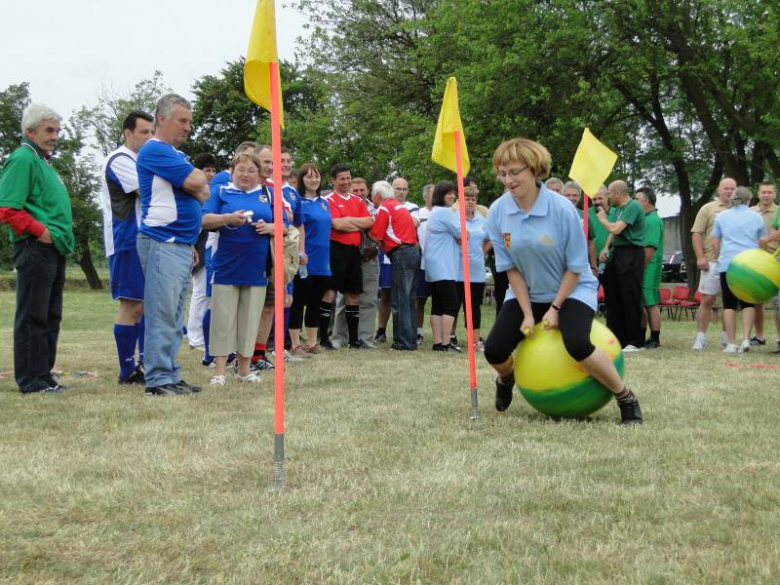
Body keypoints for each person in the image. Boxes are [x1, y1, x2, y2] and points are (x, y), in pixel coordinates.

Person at [484, 137, 642, 425]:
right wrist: (529, 314)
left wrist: (555, 309)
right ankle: (507, 379)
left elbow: (576, 266)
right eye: (503, 173)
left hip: (573, 290)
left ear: (534, 170)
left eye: (515, 172)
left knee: (578, 344)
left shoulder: (561, 209)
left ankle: (626, 398)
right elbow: (512, 270)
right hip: (527, 293)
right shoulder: (497, 211)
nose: (508, 180)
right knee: (494, 349)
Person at [136, 94, 209, 396]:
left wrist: (196, 184)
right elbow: (197, 183)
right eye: (183, 120)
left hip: (179, 243)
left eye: (190, 122)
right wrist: (194, 183)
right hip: (162, 241)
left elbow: (203, 191)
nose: (188, 127)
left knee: (174, 314)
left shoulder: (175, 156)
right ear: (162, 119)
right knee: (162, 312)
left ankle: (169, 373)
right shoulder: (154, 150)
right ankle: (157, 380)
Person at [0, 103, 75, 394]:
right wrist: (41, 231)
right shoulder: (22, 158)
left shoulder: (42, 160)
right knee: (33, 314)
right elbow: (7, 209)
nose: (55, 135)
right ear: (29, 131)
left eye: (57, 130)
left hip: (54, 247)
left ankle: (44, 375)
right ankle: (30, 380)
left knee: (50, 314)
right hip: (35, 247)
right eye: (48, 130)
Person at [201, 152, 280, 386]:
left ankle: (244, 370)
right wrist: (227, 218)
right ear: (232, 171)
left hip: (256, 267)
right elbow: (204, 219)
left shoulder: (268, 194)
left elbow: (285, 225)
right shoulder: (221, 191)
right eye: (241, 170)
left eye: (251, 170)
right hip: (225, 266)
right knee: (223, 320)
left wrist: (270, 227)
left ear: (259, 174)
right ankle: (220, 372)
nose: (245, 174)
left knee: (249, 320)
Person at [99, 110, 154, 385]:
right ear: (128, 133)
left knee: (143, 304)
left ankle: (144, 363)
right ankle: (126, 369)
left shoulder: (139, 160)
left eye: (152, 132)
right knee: (131, 303)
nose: (150, 137)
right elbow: (149, 191)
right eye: (144, 132)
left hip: (142, 239)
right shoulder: (120, 159)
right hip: (127, 239)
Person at [320, 164, 374, 349]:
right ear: (334, 180)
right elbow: (336, 224)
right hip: (335, 249)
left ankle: (353, 340)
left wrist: (349, 222)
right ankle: (324, 338)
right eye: (342, 178)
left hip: (354, 251)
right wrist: (355, 224)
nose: (346, 182)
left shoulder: (358, 201)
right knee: (329, 292)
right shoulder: (328, 200)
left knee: (354, 294)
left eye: (348, 178)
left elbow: (369, 222)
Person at [712, 186, 767, 353]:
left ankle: (731, 343)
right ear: (749, 200)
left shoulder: (721, 216)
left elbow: (715, 241)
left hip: (727, 263)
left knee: (728, 304)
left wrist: (719, 256)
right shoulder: (757, 217)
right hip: (749, 264)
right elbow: (762, 241)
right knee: (747, 303)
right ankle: (746, 339)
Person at [369, 180, 420, 350]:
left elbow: (376, 236)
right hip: (412, 251)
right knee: (409, 299)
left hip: (400, 253)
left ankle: (402, 343)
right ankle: (411, 339)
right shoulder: (400, 206)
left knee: (399, 300)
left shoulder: (384, 208)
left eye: (372, 195)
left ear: (377, 196)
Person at [597, 180, 645, 351]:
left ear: (618, 193)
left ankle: (635, 340)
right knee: (614, 297)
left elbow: (616, 229)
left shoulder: (633, 206)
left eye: (609, 193)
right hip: (618, 253)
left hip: (631, 254)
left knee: (630, 296)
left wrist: (602, 219)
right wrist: (606, 247)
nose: (608, 197)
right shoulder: (618, 209)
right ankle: (617, 338)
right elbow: (614, 232)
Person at [289, 163, 332, 355]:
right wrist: (299, 252)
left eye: (317, 176)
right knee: (299, 301)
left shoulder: (324, 202)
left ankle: (313, 343)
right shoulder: (298, 202)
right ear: (301, 180)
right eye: (309, 176)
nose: (313, 180)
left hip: (323, 260)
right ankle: (296, 344)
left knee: (315, 302)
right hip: (304, 259)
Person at [331, 177, 380, 348]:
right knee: (341, 300)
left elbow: (375, 228)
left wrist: (348, 221)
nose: (359, 193)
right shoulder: (343, 202)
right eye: (355, 190)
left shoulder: (375, 208)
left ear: (368, 191)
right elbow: (337, 225)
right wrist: (361, 224)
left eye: (362, 190)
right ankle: (339, 338)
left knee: (368, 301)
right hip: (347, 256)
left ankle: (365, 339)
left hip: (370, 257)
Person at [690, 178, 735, 350]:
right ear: (719, 189)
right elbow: (696, 233)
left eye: (732, 188)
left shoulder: (740, 209)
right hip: (712, 260)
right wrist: (700, 257)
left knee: (729, 302)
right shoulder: (708, 208)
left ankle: (727, 337)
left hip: (735, 263)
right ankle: (700, 338)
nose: (729, 191)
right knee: (707, 299)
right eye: (726, 188)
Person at [424, 181, 462, 352]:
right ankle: (446, 343)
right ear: (441, 195)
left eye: (454, 193)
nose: (453, 196)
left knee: (438, 305)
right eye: (449, 193)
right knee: (451, 304)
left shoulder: (435, 212)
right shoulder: (445, 213)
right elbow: (463, 235)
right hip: (443, 266)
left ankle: (438, 342)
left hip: (434, 264)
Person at [186, 152, 218, 351]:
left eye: (214, 170)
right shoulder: (194, 194)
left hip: (209, 248)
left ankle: (202, 335)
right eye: (207, 170)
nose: (211, 174)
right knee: (199, 293)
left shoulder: (212, 193)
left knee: (207, 295)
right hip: (198, 247)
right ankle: (195, 337)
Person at [455, 183, 492, 351]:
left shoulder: (482, 220)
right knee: (454, 304)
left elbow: (491, 238)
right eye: (467, 198)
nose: (470, 202)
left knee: (473, 306)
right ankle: (451, 336)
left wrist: (481, 252)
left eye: (473, 199)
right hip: (457, 269)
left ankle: (475, 340)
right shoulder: (454, 218)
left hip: (476, 270)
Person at [750, 181, 778, 347]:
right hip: (756, 260)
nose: (766, 195)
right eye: (763, 192)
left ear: (774, 194)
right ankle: (759, 337)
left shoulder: (779, 211)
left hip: (776, 259)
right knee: (757, 301)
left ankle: (779, 338)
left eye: (769, 192)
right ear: (758, 194)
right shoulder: (750, 212)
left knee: (777, 301)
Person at [636, 186, 664, 348]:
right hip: (645, 267)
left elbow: (649, 249)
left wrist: (640, 269)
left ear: (646, 201)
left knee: (650, 303)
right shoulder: (646, 219)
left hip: (649, 268)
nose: (634, 202)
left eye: (637, 199)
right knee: (642, 303)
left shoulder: (653, 220)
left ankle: (655, 337)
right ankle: (641, 335)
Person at [415, 183, 435, 345]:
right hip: (421, 262)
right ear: (425, 196)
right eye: (433, 194)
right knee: (419, 300)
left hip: (439, 264)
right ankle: (418, 333)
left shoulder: (445, 213)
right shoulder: (419, 213)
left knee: (440, 301)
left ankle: (442, 335)